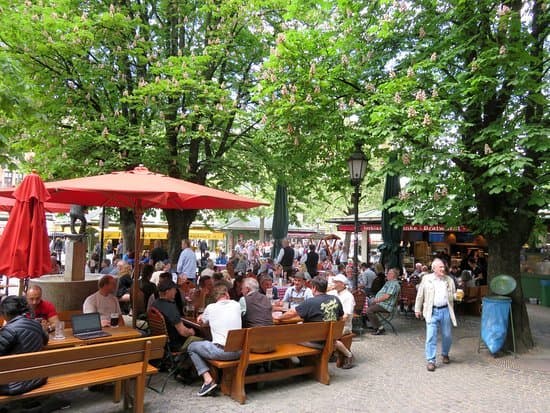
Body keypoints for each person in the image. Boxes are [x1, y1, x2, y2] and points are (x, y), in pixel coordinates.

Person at [273, 276, 353, 369]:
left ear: (314, 288)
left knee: (289, 336)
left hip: (315, 342)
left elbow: (292, 312)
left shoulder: (310, 302)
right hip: (331, 339)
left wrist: (279, 317)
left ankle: (296, 363)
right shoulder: (336, 299)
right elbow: (340, 317)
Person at [187, 284, 242, 397]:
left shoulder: (211, 308)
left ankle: (208, 380)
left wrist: (201, 316)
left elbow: (202, 321)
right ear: (227, 294)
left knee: (191, 347)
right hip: (240, 352)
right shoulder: (236, 305)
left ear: (215, 298)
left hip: (221, 352)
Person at [415, 258, 457, 372]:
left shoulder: (449, 280)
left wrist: (457, 296)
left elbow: (453, 295)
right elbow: (420, 295)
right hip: (431, 311)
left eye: (443, 267)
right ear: (434, 268)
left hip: (445, 310)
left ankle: (445, 354)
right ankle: (431, 360)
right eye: (440, 267)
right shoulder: (426, 279)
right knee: (431, 336)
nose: (443, 269)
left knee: (447, 335)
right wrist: (417, 309)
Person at [0, 296, 49, 395]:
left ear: (5, 314)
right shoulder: (36, 324)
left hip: (14, 385)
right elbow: (45, 341)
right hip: (38, 379)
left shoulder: (9, 330)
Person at [152, 279, 197, 352]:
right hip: (175, 344)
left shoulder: (155, 304)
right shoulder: (170, 308)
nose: (176, 292)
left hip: (161, 342)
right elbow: (183, 332)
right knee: (203, 339)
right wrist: (192, 331)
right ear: (167, 291)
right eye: (174, 290)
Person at [364, 267, 401, 335]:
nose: (387, 275)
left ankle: (380, 328)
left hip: (386, 305)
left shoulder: (394, 284)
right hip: (381, 303)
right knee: (366, 306)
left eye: (389, 273)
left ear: (393, 275)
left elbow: (387, 296)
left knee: (369, 310)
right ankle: (372, 324)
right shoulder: (389, 282)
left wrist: (376, 300)